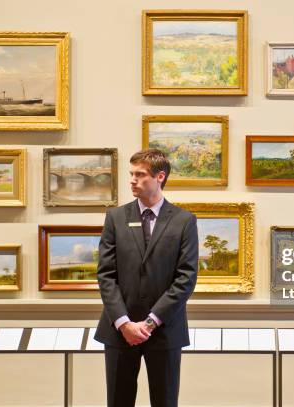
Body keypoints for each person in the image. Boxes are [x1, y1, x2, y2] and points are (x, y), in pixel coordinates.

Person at [94, 149, 199, 407]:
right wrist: (125, 323)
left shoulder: (184, 221)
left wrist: (150, 323)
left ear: (160, 177)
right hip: (120, 331)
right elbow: (106, 275)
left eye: (139, 175)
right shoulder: (115, 218)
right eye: (131, 174)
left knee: (165, 402)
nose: (132, 180)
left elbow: (185, 278)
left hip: (164, 331)